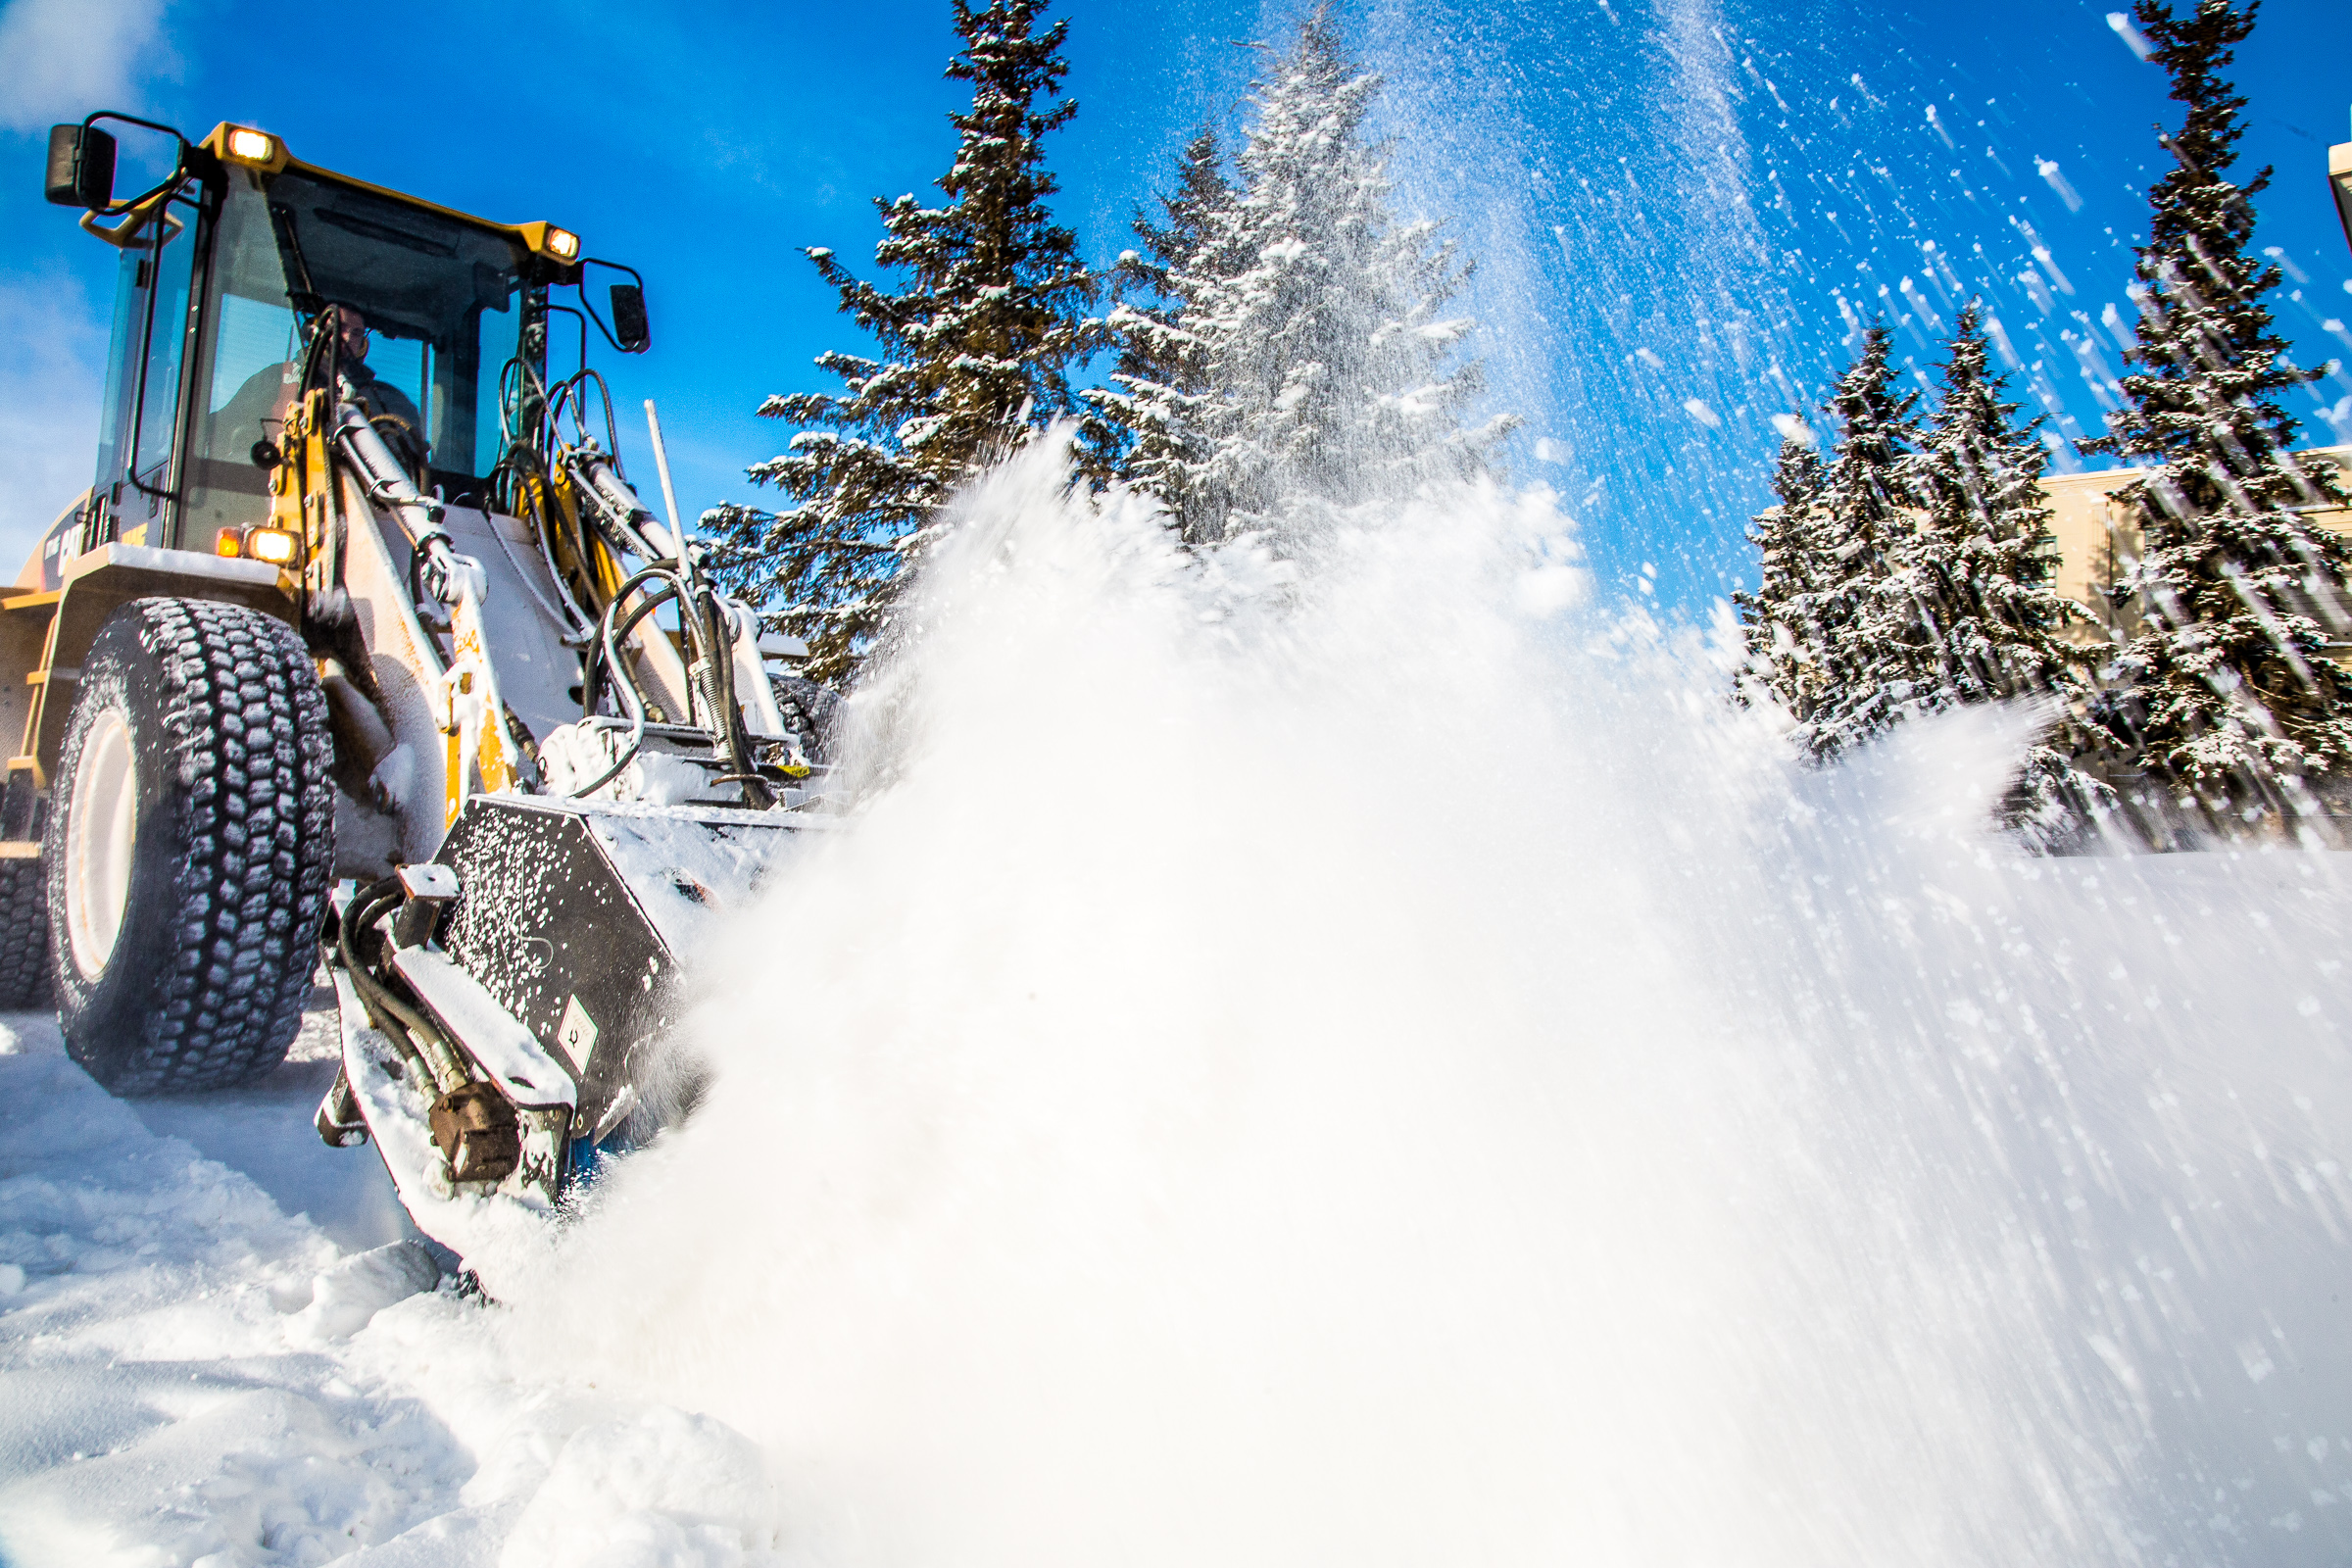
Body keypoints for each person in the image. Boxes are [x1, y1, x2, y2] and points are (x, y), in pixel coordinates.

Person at [213, 305, 426, 472]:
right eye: (338, 327)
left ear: (363, 344)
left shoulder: (388, 399)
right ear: (315, 330)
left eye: (356, 333)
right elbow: (219, 429)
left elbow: (411, 461)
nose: (347, 338)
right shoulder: (275, 379)